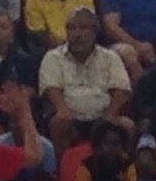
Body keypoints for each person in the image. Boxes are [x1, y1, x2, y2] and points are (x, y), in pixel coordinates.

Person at [39, 8, 131, 152]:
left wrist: (108, 116)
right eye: (72, 28)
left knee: (127, 125)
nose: (77, 34)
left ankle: (124, 172)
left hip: (104, 117)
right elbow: (52, 91)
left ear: (94, 32)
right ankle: (60, 172)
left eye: (83, 28)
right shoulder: (52, 57)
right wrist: (64, 112)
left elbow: (121, 91)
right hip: (71, 118)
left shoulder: (110, 57)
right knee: (59, 122)